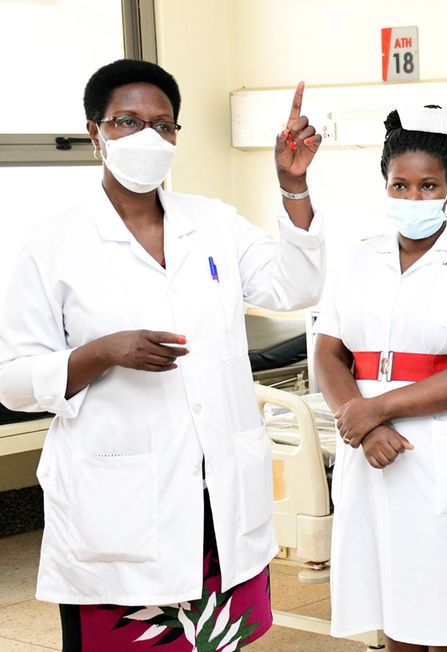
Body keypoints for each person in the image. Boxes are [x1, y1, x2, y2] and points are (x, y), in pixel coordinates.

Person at [0, 59, 324, 650]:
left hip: (217, 504)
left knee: (221, 641)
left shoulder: (213, 223)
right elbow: (13, 382)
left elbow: (296, 288)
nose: (147, 136)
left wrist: (293, 186)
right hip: (119, 510)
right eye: (127, 121)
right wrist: (102, 353)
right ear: (95, 131)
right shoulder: (53, 244)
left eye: (163, 124)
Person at [313, 106, 447, 652]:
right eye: (400, 185)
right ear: (384, 185)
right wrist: (360, 421)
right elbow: (329, 352)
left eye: (428, 185)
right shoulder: (358, 258)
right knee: (394, 611)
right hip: (371, 452)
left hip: (442, 453)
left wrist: (376, 411)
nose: (413, 197)